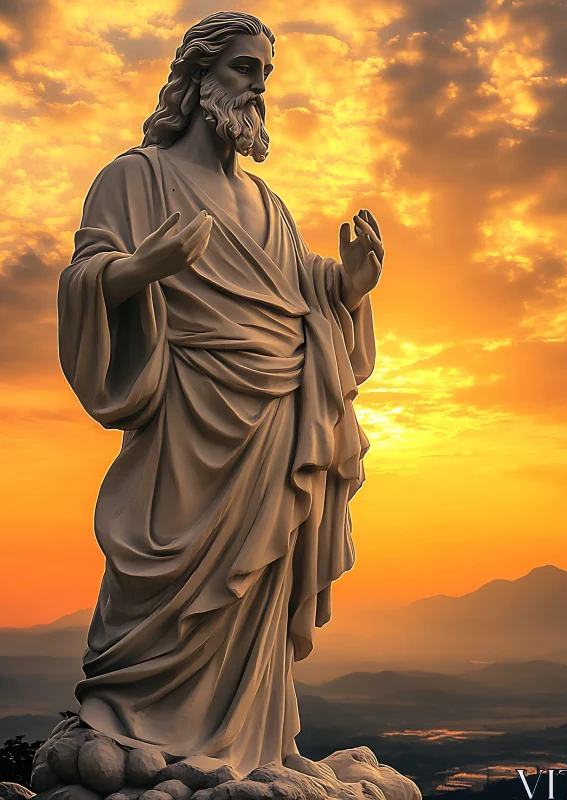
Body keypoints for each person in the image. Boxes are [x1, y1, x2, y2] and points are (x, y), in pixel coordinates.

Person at [57, 11, 383, 773]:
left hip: (275, 426)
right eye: (244, 69)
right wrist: (141, 268)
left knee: (253, 596)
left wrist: (351, 289)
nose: (259, 88)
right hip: (188, 421)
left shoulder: (269, 205)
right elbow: (84, 277)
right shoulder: (134, 177)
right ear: (197, 78)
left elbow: (299, 293)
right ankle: (134, 732)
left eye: (265, 74)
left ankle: (250, 746)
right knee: (160, 588)